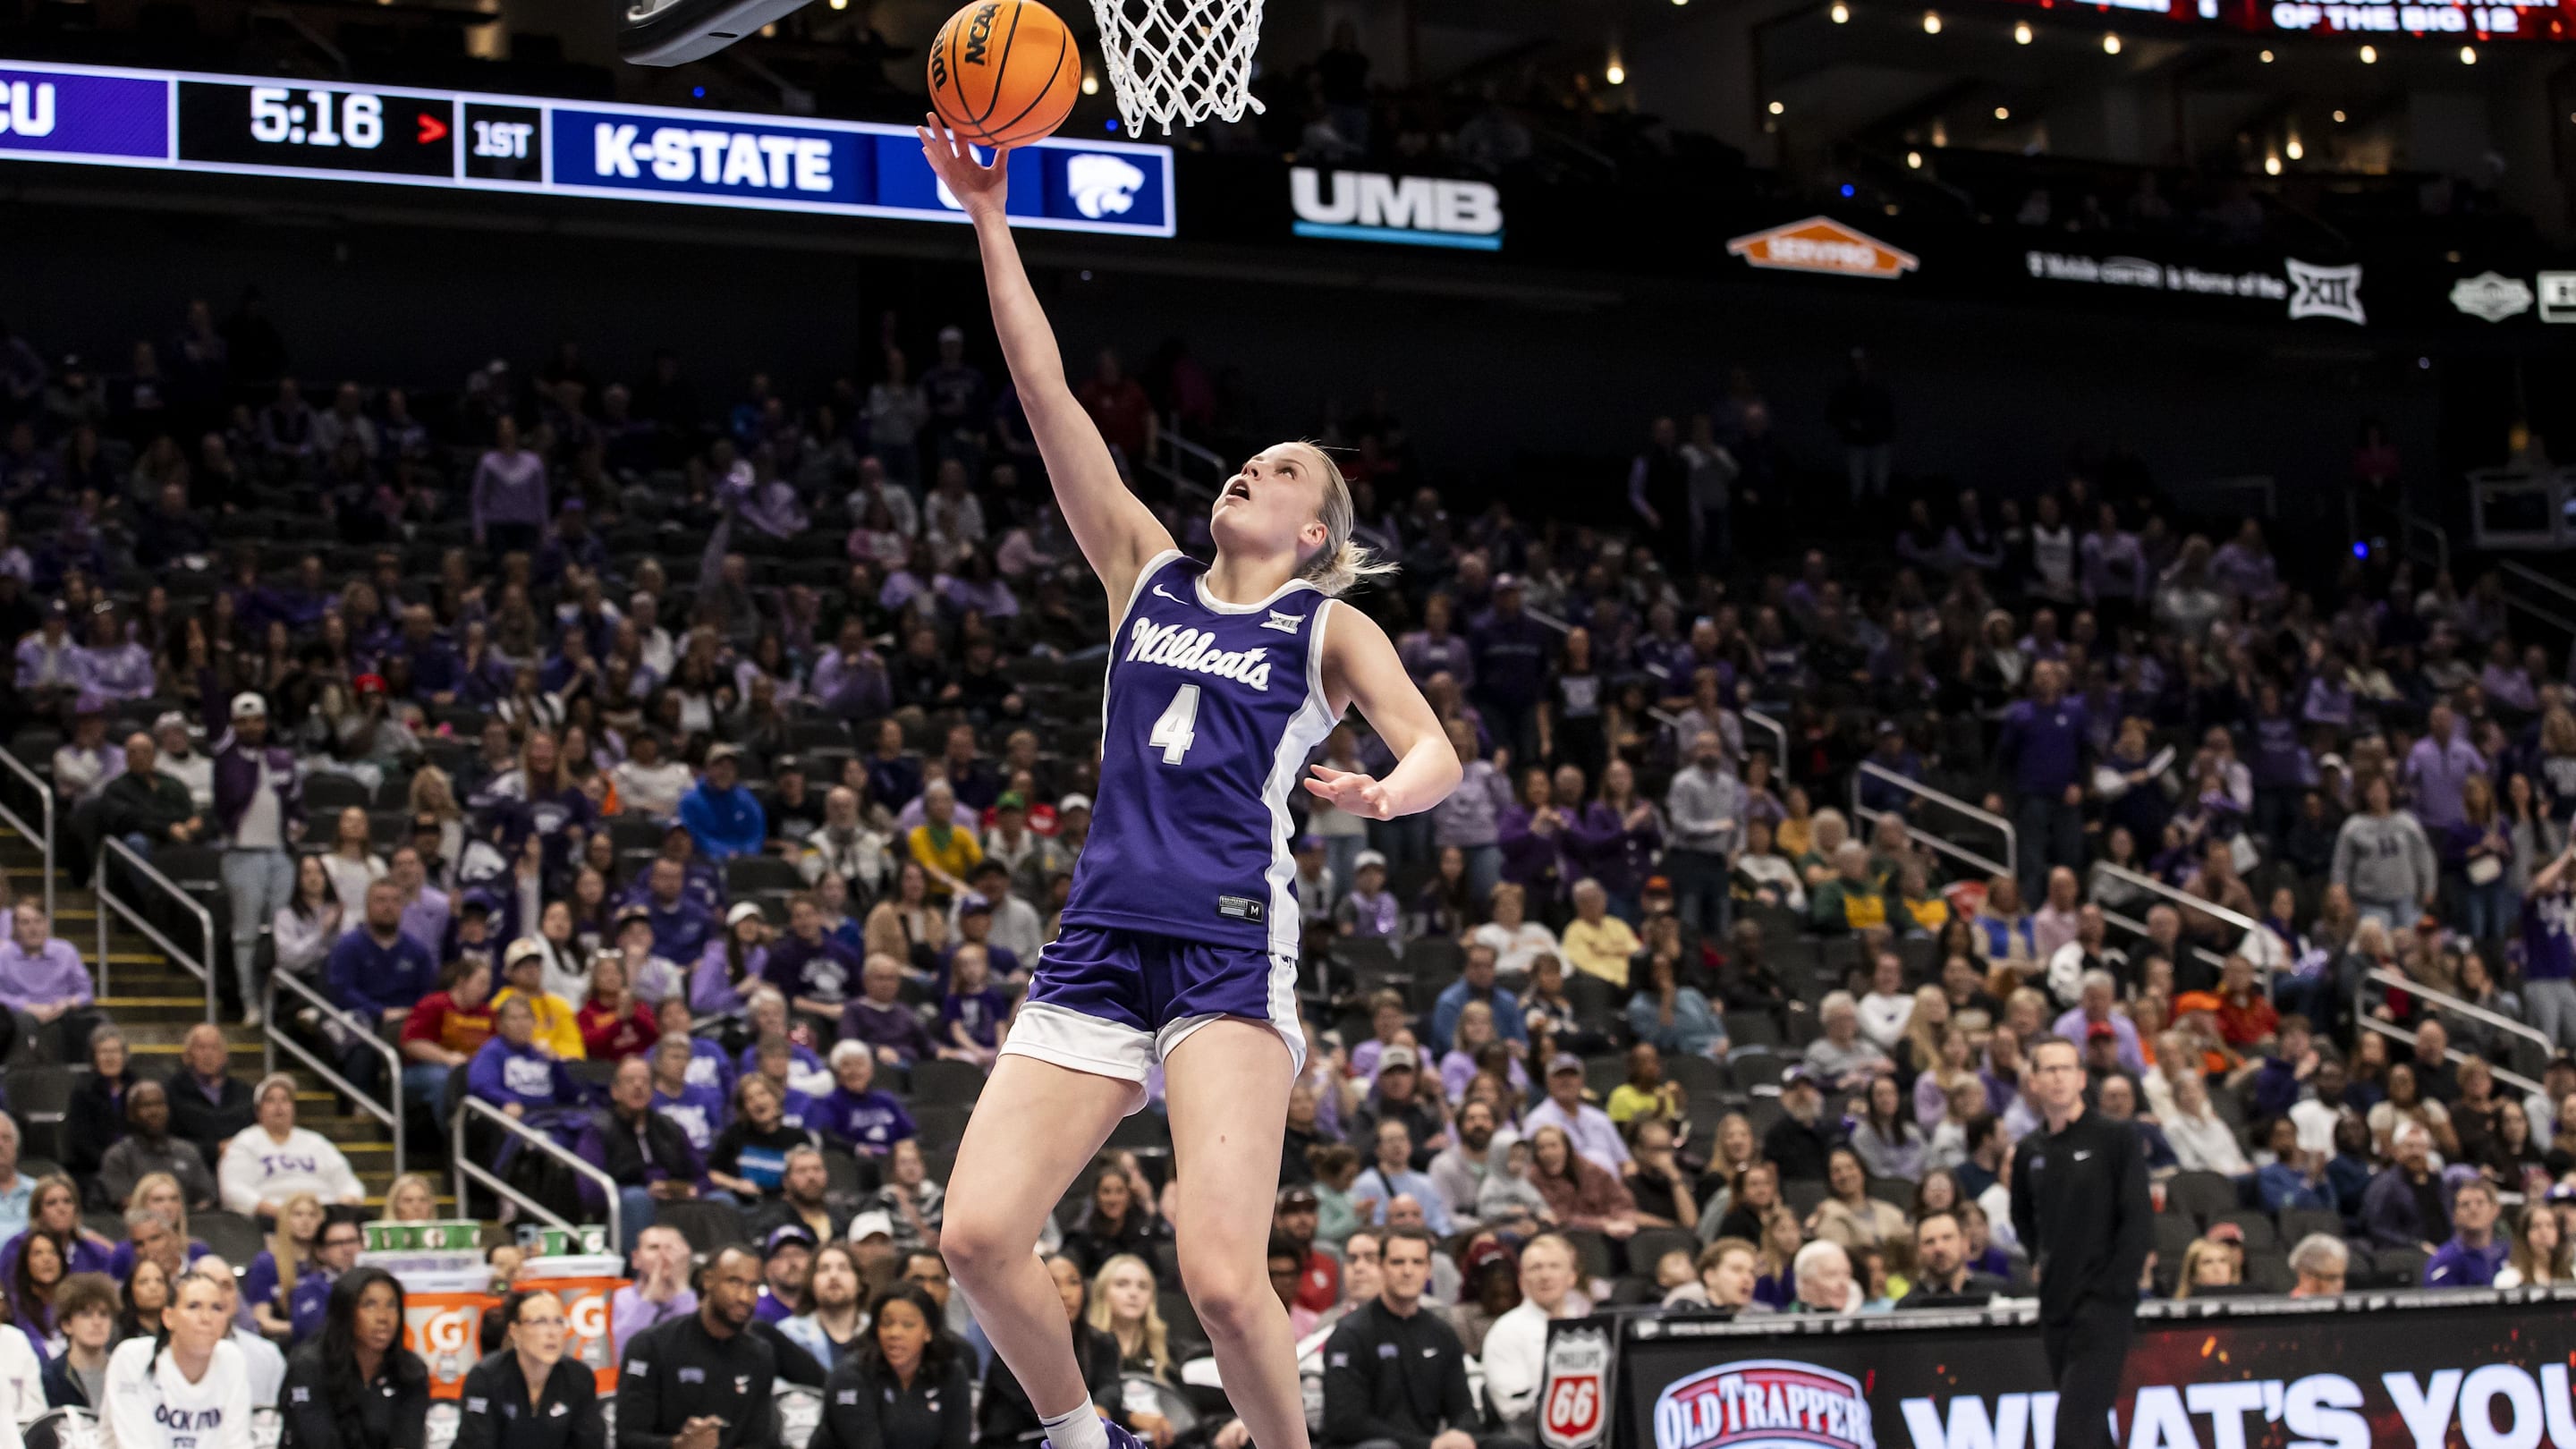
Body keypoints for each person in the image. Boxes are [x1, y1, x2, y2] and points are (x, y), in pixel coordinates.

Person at [922, 118, 1462, 1449]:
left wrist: (1390, 795)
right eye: (1250, 457)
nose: (1251, 469)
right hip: (1101, 936)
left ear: (1314, 531)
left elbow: (1435, 748)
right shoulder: (1144, 571)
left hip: (1225, 947)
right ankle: (1080, 1437)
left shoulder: (1326, 626)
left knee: (1221, 1282)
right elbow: (1046, 391)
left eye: (1282, 472)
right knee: (976, 1235)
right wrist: (988, 217)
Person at [2009, 1034, 2151, 1449]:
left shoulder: (2114, 1137)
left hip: (2104, 1303)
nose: (2058, 1078)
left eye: (2066, 1069)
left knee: (2074, 1427)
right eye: (2049, 1069)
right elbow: (2021, 1214)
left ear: (2081, 1078)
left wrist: (2116, 1286)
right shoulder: (2029, 1150)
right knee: (2091, 1431)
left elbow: (2138, 1217)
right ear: (2033, 1081)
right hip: (2056, 1304)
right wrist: (2040, 1258)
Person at [1318, 1227, 1493, 1449]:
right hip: (1368, 1445)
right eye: (1397, 1262)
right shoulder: (1351, 1333)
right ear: (1381, 1266)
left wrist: (1461, 1436)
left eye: (1417, 1262)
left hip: (1427, 1443)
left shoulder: (1441, 1333)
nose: (1408, 1271)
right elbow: (1347, 1421)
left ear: (1429, 1269)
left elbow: (1462, 1408)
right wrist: (1426, 1445)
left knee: (1508, 1445)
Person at [614, 1243, 776, 1449]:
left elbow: (761, 1440)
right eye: (734, 1282)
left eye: (753, 1286)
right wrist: (679, 1445)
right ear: (708, 1280)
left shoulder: (760, 1354)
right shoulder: (650, 1346)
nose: (745, 1297)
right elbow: (628, 1439)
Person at [216, 691, 301, 1028]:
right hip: (242, 853)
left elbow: (296, 802)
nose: (250, 727)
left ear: (265, 722)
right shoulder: (227, 756)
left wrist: (300, 821)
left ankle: (273, 1002)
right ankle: (250, 1001)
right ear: (234, 725)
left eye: (256, 720)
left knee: (280, 933)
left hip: (279, 854)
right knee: (247, 933)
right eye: (243, 722)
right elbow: (212, 715)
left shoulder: (282, 759)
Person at [276, 1267, 428, 1449]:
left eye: (391, 1305)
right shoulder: (309, 1366)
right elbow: (317, 1440)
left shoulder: (411, 1371)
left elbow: (408, 1440)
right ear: (345, 1312)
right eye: (369, 1305)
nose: (383, 1317)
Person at [101, 1267, 251, 1449]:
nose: (206, 1318)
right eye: (193, 1306)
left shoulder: (232, 1359)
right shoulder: (132, 1358)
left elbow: (237, 1443)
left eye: (217, 1308)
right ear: (168, 1317)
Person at [810, 1282, 973, 1449]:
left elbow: (957, 1443)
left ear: (928, 1331)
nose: (895, 1333)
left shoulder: (950, 1372)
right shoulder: (849, 1375)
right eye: (886, 1323)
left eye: (908, 1324)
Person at [454, 1286, 606, 1449]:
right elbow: (477, 1442)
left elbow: (589, 1442)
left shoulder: (579, 1377)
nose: (552, 1332)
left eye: (559, 1321)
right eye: (540, 1321)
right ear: (514, 1331)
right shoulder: (485, 1377)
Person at [217, 1074, 366, 1219]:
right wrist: (282, 1214)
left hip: (324, 1217)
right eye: (270, 1100)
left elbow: (350, 1185)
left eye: (285, 1099)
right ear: (258, 1110)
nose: (279, 1106)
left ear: (293, 1107)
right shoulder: (245, 1142)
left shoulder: (316, 1142)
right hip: (271, 1219)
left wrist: (334, 1212)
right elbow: (233, 1191)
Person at [1476, 1234, 1584, 1430]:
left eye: (1554, 1266)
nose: (1545, 1276)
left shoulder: (1586, 1329)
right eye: (1536, 1268)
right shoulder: (1506, 1331)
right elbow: (1512, 1410)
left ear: (1572, 1277)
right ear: (1522, 1280)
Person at [100, 1080, 220, 1210]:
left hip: (189, 1220)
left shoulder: (188, 1152)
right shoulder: (118, 1156)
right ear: (131, 1114)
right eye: (146, 1105)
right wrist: (165, 1213)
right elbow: (125, 1202)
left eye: (160, 1104)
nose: (154, 1112)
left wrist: (184, 1214)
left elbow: (207, 1197)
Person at [165, 1023, 255, 1168]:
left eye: (214, 1047)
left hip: (240, 1164)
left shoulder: (243, 1092)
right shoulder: (173, 1091)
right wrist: (214, 1149)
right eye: (201, 1047)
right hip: (191, 1166)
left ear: (224, 1056)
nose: (208, 1054)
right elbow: (170, 1141)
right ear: (189, 1055)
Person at [780, 1242, 868, 1370]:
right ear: (811, 1283)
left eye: (843, 1268)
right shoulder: (789, 1334)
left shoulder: (876, 1332)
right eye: (824, 1269)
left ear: (860, 1283)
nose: (833, 1275)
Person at [610, 1225, 698, 1350]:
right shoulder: (616, 1299)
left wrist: (681, 1288)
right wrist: (648, 1300)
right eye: (654, 1247)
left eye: (671, 1248)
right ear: (636, 1259)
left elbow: (696, 1347)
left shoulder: (698, 1300)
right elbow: (618, 1350)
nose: (663, 1255)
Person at [1896, 1211, 2008, 1307]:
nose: (1939, 1248)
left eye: (1947, 1238)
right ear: (1917, 1251)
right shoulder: (1907, 1307)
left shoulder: (1998, 1291)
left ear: (1965, 1242)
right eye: (1929, 1242)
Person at [40, 1271, 117, 1408]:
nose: (97, 1322)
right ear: (67, 1325)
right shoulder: (51, 1376)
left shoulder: (122, 1370)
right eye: (86, 1315)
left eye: (104, 1314)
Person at [2425, 1176, 2509, 1287]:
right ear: (2454, 1215)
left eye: (2480, 1203)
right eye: (2465, 1204)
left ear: (2495, 1209)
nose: (2473, 1209)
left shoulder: (2508, 1254)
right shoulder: (2444, 1260)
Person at [2284, 1234, 2349, 1297]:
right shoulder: (2292, 1303)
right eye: (2332, 1278)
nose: (2341, 1284)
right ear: (2306, 1277)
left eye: (2342, 1277)